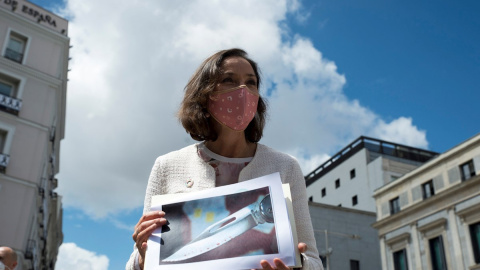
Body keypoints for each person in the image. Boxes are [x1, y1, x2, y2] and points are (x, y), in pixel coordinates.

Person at [126, 48, 323, 270]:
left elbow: (314, 262)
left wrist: (299, 265)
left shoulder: (285, 167)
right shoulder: (167, 167)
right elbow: (137, 263)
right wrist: (143, 259)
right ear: (204, 95)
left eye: (251, 83)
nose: (243, 91)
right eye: (229, 80)